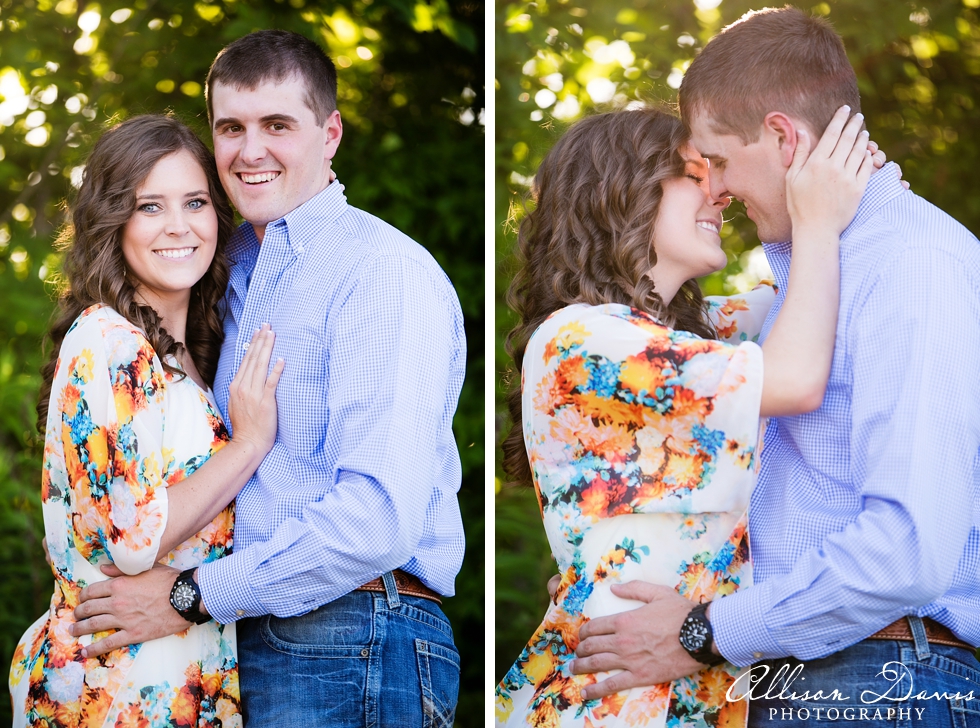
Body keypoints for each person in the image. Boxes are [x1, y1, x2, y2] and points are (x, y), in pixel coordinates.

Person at [568, 8, 980, 727]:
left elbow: (905, 551)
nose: (717, 192)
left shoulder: (911, 266)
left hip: (877, 678)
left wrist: (703, 632)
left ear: (784, 137)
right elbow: (668, 337)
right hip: (814, 671)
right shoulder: (813, 281)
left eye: (718, 161)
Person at [69, 30, 466, 727]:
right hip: (247, 634)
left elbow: (375, 518)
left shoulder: (378, 271)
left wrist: (188, 595)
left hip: (352, 628)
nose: (250, 151)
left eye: (277, 125)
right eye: (231, 128)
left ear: (330, 133)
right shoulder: (231, 275)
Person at [495, 103, 877, 726]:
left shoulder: (695, 333)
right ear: (622, 190)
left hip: (691, 684)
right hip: (614, 695)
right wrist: (816, 222)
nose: (719, 194)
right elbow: (796, 377)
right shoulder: (582, 340)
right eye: (695, 173)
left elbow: (827, 297)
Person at [8, 114, 283, 727]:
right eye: (150, 206)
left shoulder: (194, 356)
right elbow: (134, 543)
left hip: (182, 679)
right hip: (115, 690)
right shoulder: (109, 338)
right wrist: (248, 445)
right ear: (115, 223)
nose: (178, 226)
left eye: (195, 202)